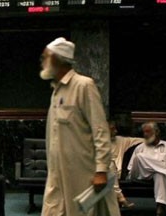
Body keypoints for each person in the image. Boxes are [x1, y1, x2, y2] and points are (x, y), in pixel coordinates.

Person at [40, 37, 119, 216]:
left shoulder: (84, 85)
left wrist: (101, 170)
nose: (42, 61)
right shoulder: (56, 91)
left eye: (46, 57)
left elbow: (100, 130)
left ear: (57, 59)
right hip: (56, 173)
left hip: (82, 173)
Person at [108, 120, 143, 208]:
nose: (116, 131)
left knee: (111, 165)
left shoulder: (120, 140)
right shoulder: (96, 143)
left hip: (115, 173)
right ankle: (121, 198)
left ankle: (120, 198)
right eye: (112, 129)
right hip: (100, 173)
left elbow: (140, 140)